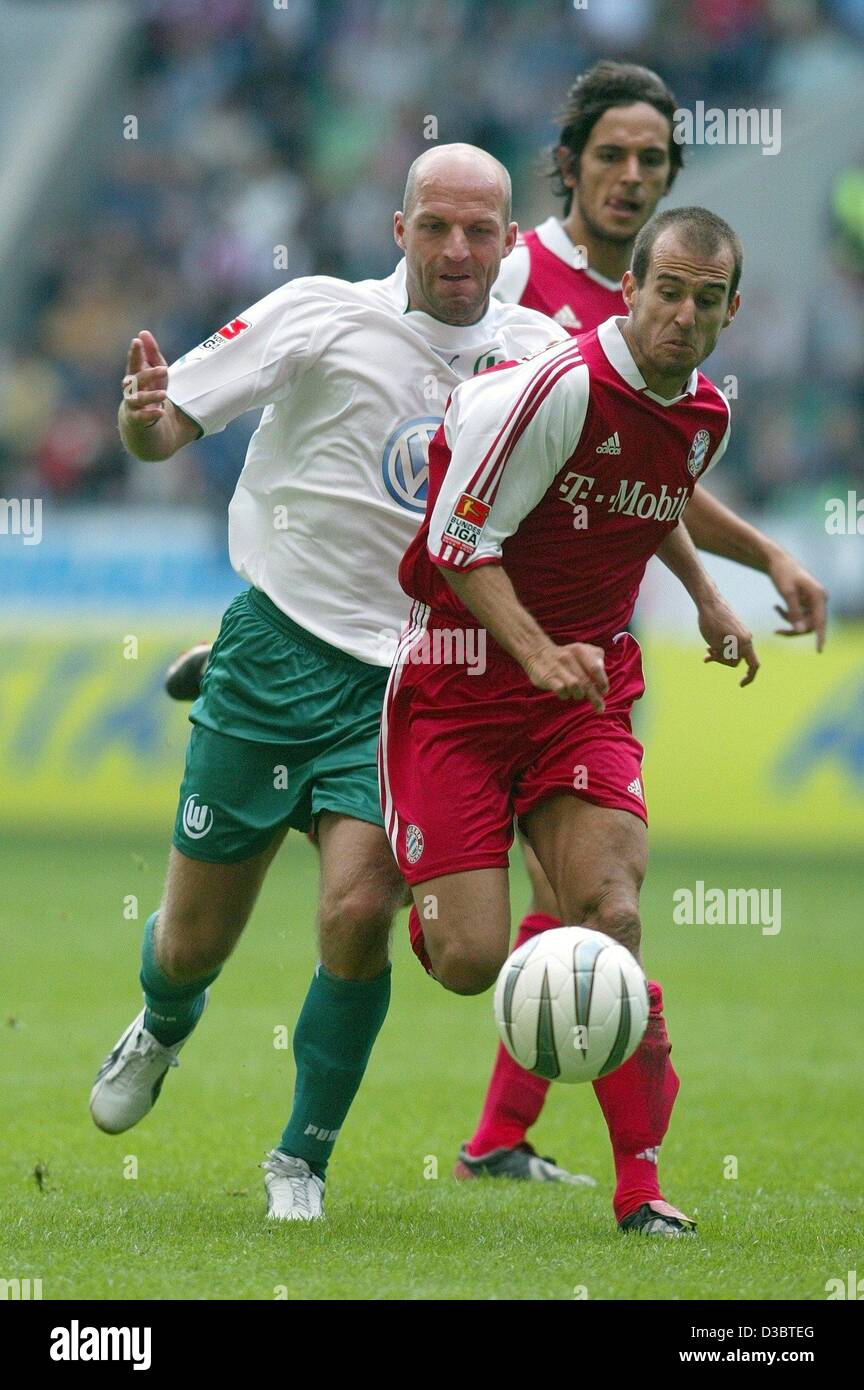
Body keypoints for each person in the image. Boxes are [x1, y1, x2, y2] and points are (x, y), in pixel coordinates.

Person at [89, 144, 586, 1219]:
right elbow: (170, 422)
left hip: (415, 683)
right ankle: (164, 1022)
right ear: (398, 230)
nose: (458, 250)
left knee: (358, 910)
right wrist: (141, 420)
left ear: (509, 245)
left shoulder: (544, 355)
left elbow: (591, 498)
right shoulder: (322, 313)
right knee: (190, 942)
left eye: (481, 232)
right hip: (277, 651)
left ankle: (299, 1159)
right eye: (437, 227)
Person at [455, 60, 828, 1182]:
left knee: (582, 899)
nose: (629, 176)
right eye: (610, 155)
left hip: (585, 652)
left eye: (652, 160)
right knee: (413, 911)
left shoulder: (673, 304)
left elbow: (638, 476)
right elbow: (483, 459)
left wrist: (741, 567)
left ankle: (505, 1140)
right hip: (468, 625)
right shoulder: (512, 275)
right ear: (566, 163)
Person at [381, 207, 769, 1236]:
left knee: (614, 917)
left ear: (733, 311)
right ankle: (409, 872)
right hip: (461, 687)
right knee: (468, 960)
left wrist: (711, 598)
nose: (683, 316)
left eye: (707, 299)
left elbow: (653, 504)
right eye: (668, 292)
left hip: (584, 693)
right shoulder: (558, 390)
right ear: (631, 288)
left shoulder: (704, 416)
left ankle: (639, 1187)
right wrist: (536, 650)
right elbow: (457, 543)